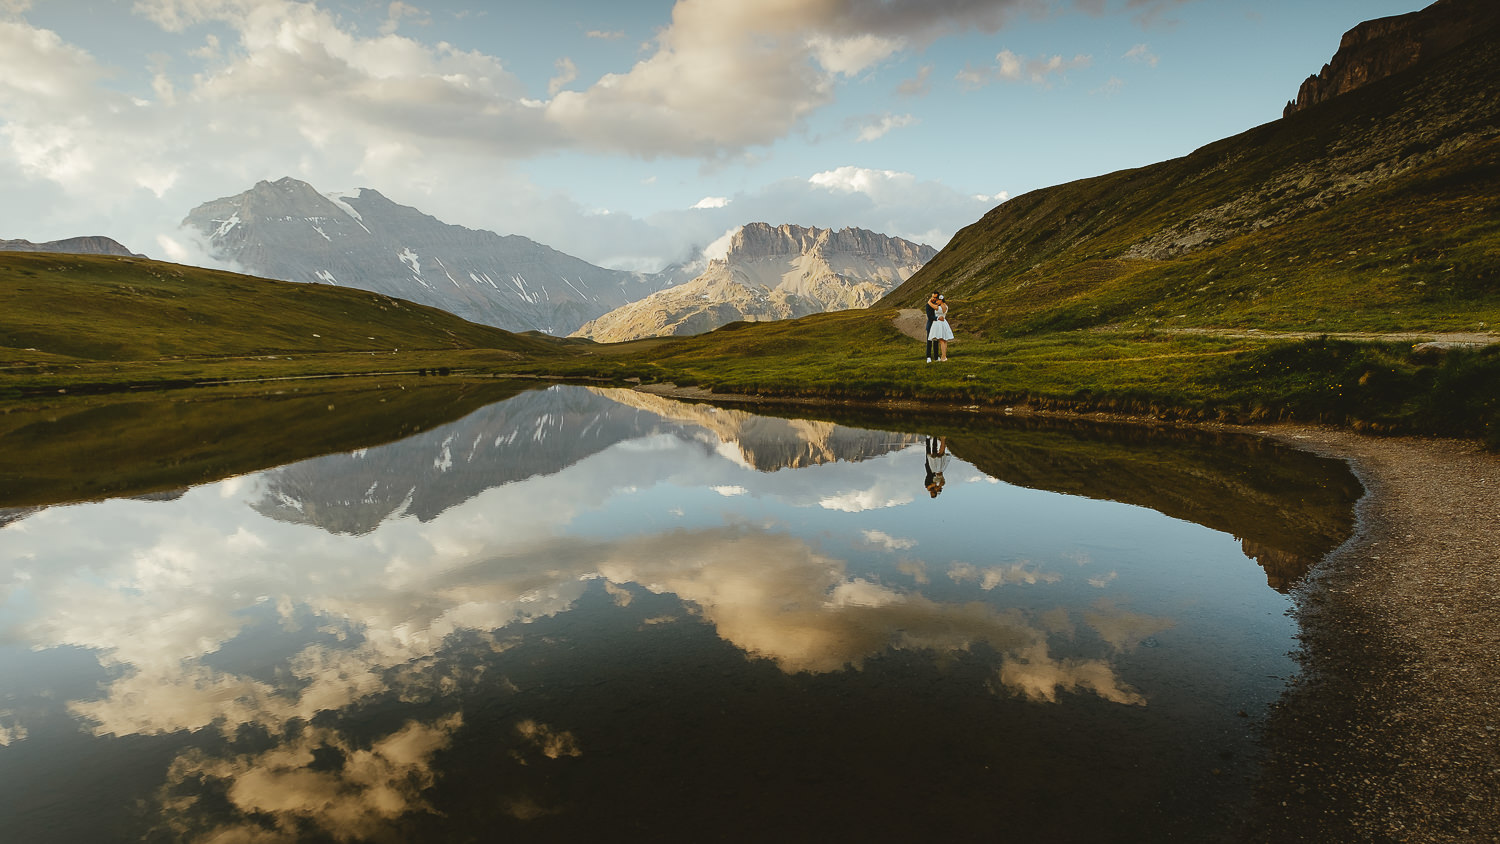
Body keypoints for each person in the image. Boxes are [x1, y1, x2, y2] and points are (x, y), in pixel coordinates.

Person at [927, 293, 953, 361]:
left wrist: (929, 301)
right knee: (944, 341)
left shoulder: (938, 307)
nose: (936, 301)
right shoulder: (946, 306)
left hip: (939, 324)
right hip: (944, 322)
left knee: (941, 340)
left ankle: (943, 357)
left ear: (941, 300)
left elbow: (933, 306)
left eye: (937, 300)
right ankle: (944, 356)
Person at [924, 292, 940, 362]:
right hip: (930, 325)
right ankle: (928, 357)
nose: (933, 298)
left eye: (935, 297)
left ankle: (936, 357)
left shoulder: (938, 304)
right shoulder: (928, 305)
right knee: (929, 341)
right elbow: (929, 316)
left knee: (936, 341)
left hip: (936, 325)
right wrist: (937, 318)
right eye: (933, 297)